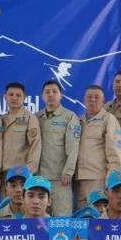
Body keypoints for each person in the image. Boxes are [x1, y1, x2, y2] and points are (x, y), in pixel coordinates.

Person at [75, 85, 121, 211]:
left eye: (96, 97)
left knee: (98, 215)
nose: (92, 100)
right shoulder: (78, 120)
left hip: (98, 178)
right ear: (84, 100)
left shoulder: (109, 120)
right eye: (89, 97)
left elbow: (115, 154)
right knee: (82, 216)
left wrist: (111, 180)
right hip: (79, 179)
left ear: (103, 101)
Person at [36, 80, 81, 216]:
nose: (51, 95)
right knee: (39, 221)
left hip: (60, 179)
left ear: (61, 95)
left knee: (62, 220)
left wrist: (68, 172)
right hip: (39, 178)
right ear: (42, 96)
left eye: (54, 92)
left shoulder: (69, 117)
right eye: (47, 92)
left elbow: (73, 147)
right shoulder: (36, 117)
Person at [0, 83, 40, 196]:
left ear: (24, 98)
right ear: (5, 97)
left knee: (22, 205)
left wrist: (29, 172)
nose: (14, 98)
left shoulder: (30, 118)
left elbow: (35, 146)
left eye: (18, 95)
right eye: (11, 95)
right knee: (6, 206)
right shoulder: (1, 119)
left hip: (21, 174)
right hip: (4, 174)